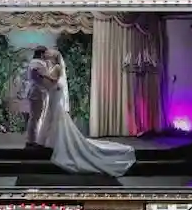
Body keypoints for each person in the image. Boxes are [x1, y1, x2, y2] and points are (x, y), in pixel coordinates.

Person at [33, 48, 135, 177]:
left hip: (56, 100)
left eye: (49, 54)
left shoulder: (57, 67)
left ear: (54, 57)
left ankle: (57, 144)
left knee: (57, 121)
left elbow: (53, 80)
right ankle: (51, 142)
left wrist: (43, 74)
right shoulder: (52, 66)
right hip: (53, 97)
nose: (47, 55)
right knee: (51, 120)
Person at [25, 46, 52, 147]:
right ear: (41, 54)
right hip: (37, 92)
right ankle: (32, 140)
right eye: (46, 54)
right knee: (35, 117)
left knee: (36, 117)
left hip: (37, 92)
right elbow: (44, 78)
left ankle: (33, 139)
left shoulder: (35, 62)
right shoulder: (38, 63)